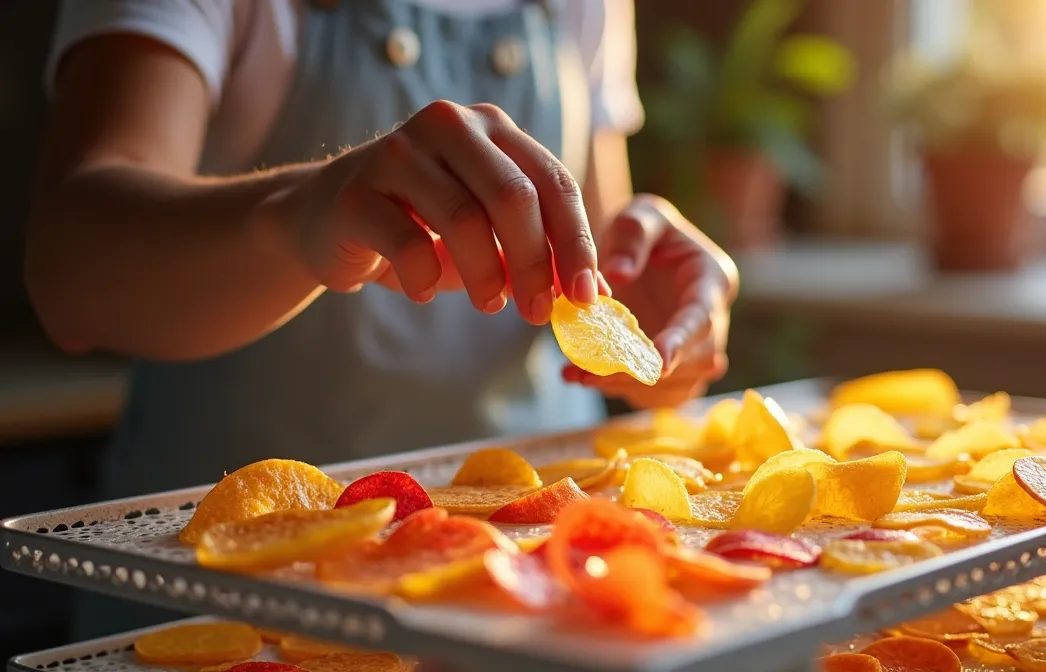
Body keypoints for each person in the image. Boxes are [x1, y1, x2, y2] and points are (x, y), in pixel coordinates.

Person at [27, 0, 737, 638]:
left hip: (521, 609)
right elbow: (70, 273)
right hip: (239, 616)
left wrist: (661, 331)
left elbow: (593, 274)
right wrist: (300, 216)